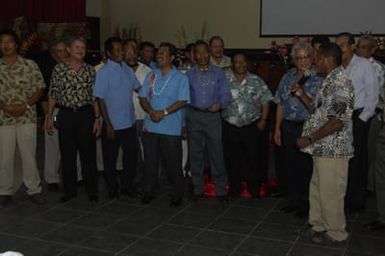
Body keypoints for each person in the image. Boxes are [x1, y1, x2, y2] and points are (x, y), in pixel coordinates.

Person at [298, 42, 354, 243]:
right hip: (322, 148)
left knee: (331, 192)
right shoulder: (327, 80)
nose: (315, 61)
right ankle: (318, 224)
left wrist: (310, 137)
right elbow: (320, 113)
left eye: (318, 58)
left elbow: (337, 121)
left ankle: (336, 232)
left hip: (333, 148)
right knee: (318, 187)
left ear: (328, 60)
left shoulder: (340, 82)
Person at [46, 37, 101, 203]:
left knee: (88, 154)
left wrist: (97, 118)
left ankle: (92, 190)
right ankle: (69, 190)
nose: (80, 50)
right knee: (67, 154)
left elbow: (94, 97)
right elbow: (53, 94)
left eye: (83, 47)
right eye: (77, 47)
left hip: (86, 115)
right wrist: (49, 117)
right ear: (69, 50)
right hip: (66, 115)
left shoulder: (90, 70)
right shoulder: (59, 69)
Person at [139, 42, 189, 207]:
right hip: (150, 126)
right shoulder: (151, 75)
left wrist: (163, 113)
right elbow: (142, 97)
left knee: (173, 163)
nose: (158, 55)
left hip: (170, 129)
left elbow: (182, 101)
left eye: (163, 53)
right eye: (158, 53)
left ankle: (177, 194)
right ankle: (148, 191)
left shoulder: (180, 78)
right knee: (150, 163)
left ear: (172, 58)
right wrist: (151, 111)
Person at [273, 42, 320, 217]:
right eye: (298, 58)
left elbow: (318, 109)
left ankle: (307, 204)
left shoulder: (319, 78)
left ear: (312, 58)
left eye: (306, 57)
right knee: (290, 165)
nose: (302, 61)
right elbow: (280, 104)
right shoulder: (287, 77)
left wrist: (302, 93)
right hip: (288, 126)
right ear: (293, 60)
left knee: (306, 167)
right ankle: (293, 200)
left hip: (308, 127)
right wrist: (277, 128)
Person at [0, 29, 46, 208]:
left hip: (27, 117)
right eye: (2, 42)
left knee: (29, 155)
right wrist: (5, 107)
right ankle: (4, 191)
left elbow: (40, 89)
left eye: (9, 41)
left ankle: (33, 189)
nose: (5, 45)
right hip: (4, 118)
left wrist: (25, 106)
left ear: (16, 44)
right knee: (4, 156)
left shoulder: (30, 65)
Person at [335, 32, 379, 211]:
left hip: (358, 117)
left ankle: (356, 200)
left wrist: (360, 120)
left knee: (357, 160)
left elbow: (373, 96)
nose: (339, 48)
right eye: (337, 45)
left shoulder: (364, 65)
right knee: (341, 158)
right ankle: (342, 197)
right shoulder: (336, 66)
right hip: (338, 117)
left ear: (353, 46)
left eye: (343, 45)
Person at [94, 37, 141, 199]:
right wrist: (107, 124)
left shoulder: (128, 70)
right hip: (112, 124)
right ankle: (112, 188)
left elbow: (139, 88)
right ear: (108, 53)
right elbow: (100, 99)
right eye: (117, 50)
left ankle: (127, 186)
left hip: (129, 122)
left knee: (130, 158)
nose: (121, 53)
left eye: (122, 49)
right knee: (110, 159)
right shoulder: (103, 73)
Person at [222, 53, 272, 199]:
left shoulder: (256, 80)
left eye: (243, 62)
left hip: (251, 126)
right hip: (230, 126)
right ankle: (234, 188)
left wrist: (263, 120)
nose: (241, 64)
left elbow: (266, 100)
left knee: (253, 159)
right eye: (237, 62)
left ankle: (254, 189)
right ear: (232, 64)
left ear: (247, 63)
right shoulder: (224, 80)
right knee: (232, 159)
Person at [186, 40, 231, 202]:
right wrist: (184, 123)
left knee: (216, 153)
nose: (203, 55)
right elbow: (184, 99)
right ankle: (198, 188)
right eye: (199, 53)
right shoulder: (189, 74)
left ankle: (220, 189)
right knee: (195, 153)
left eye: (206, 52)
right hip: (193, 116)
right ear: (194, 56)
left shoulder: (219, 72)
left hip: (213, 118)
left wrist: (220, 104)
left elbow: (226, 94)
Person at [36, 40, 68, 191]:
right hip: (54, 112)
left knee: (72, 143)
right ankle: (52, 179)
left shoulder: (72, 65)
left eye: (64, 50)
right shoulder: (48, 68)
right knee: (53, 142)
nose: (63, 53)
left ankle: (77, 176)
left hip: (72, 112)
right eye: (59, 51)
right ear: (53, 53)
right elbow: (43, 96)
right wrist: (47, 116)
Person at [356, 34, 385, 193]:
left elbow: (374, 95)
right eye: (358, 46)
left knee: (370, 151)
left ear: (373, 50)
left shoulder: (378, 68)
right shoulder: (353, 65)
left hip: (372, 115)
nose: (359, 50)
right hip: (355, 113)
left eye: (364, 47)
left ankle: (370, 186)